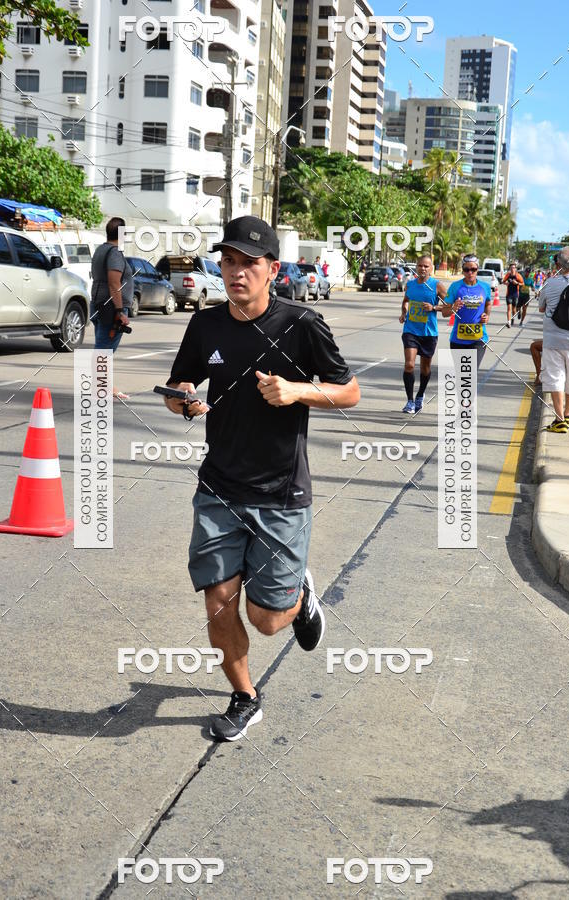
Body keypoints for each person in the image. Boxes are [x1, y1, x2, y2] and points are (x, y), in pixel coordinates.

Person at [163, 215, 360, 740]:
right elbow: (179, 382)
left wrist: (298, 391)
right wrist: (184, 402)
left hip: (281, 495)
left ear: (272, 269)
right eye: (228, 261)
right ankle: (245, 697)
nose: (236, 272)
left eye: (249, 263)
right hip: (219, 489)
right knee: (217, 601)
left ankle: (298, 591)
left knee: (268, 620)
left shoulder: (302, 324)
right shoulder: (205, 325)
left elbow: (349, 392)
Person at [90, 216, 133, 400]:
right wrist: (119, 311)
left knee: (104, 349)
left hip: (99, 303)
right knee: (104, 349)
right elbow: (114, 283)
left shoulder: (101, 250)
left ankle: (105, 386)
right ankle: (100, 389)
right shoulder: (115, 252)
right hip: (110, 307)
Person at [399, 254, 448, 413]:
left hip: (428, 333)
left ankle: (420, 394)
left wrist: (433, 308)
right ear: (416, 267)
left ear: (431, 268)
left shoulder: (437, 285)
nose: (423, 268)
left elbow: (449, 306)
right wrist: (403, 313)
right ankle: (410, 402)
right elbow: (406, 300)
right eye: (420, 265)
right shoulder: (411, 285)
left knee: (425, 368)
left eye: (426, 266)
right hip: (410, 330)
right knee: (409, 365)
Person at [538, 246, 569, 432]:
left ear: (558, 264)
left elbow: (542, 308)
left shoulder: (550, 283)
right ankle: (568, 415)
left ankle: (559, 419)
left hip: (553, 340)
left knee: (556, 377)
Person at [443, 254, 491, 369]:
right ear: (463, 270)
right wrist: (453, 308)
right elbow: (444, 312)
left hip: (478, 339)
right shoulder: (455, 287)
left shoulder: (485, 287)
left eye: (473, 269)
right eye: (467, 269)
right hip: (458, 340)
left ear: (477, 270)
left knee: (470, 375)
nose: (470, 272)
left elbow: (488, 303)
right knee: (462, 377)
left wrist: (486, 315)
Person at [503, 263, 524, 328]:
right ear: (510, 269)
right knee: (509, 308)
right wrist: (505, 283)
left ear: (515, 269)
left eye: (514, 268)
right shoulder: (508, 275)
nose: (512, 269)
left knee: (514, 309)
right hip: (509, 294)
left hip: (515, 294)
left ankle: (515, 315)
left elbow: (522, 283)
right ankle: (508, 322)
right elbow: (503, 281)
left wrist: (517, 283)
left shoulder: (518, 276)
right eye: (511, 268)